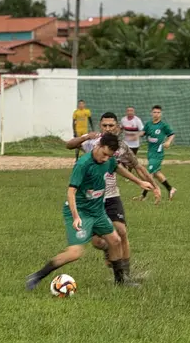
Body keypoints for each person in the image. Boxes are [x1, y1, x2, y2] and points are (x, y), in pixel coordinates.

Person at [26, 133, 155, 290]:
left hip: (98, 211)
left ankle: (120, 281)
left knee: (115, 240)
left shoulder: (108, 160)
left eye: (110, 156)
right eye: (105, 154)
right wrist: (76, 217)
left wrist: (139, 182)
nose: (106, 159)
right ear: (98, 145)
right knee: (75, 253)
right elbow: (71, 192)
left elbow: (117, 167)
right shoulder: (83, 164)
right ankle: (37, 276)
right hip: (81, 212)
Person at [67, 112, 161, 279]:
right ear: (100, 126)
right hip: (91, 198)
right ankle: (108, 249)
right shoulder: (91, 141)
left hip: (111, 195)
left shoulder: (121, 147)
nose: (108, 128)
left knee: (122, 231)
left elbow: (138, 167)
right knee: (97, 242)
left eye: (111, 125)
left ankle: (125, 274)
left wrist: (154, 185)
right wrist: (85, 137)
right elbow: (69, 145)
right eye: (105, 125)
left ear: (117, 127)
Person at [136, 105, 177, 201]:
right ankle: (170, 189)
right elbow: (143, 133)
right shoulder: (148, 124)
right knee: (157, 173)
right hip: (150, 153)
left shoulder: (163, 125)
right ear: (151, 113)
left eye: (158, 112)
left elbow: (172, 134)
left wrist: (168, 142)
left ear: (161, 114)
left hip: (158, 153)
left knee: (149, 173)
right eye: (154, 112)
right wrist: (136, 135)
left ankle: (143, 195)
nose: (156, 114)